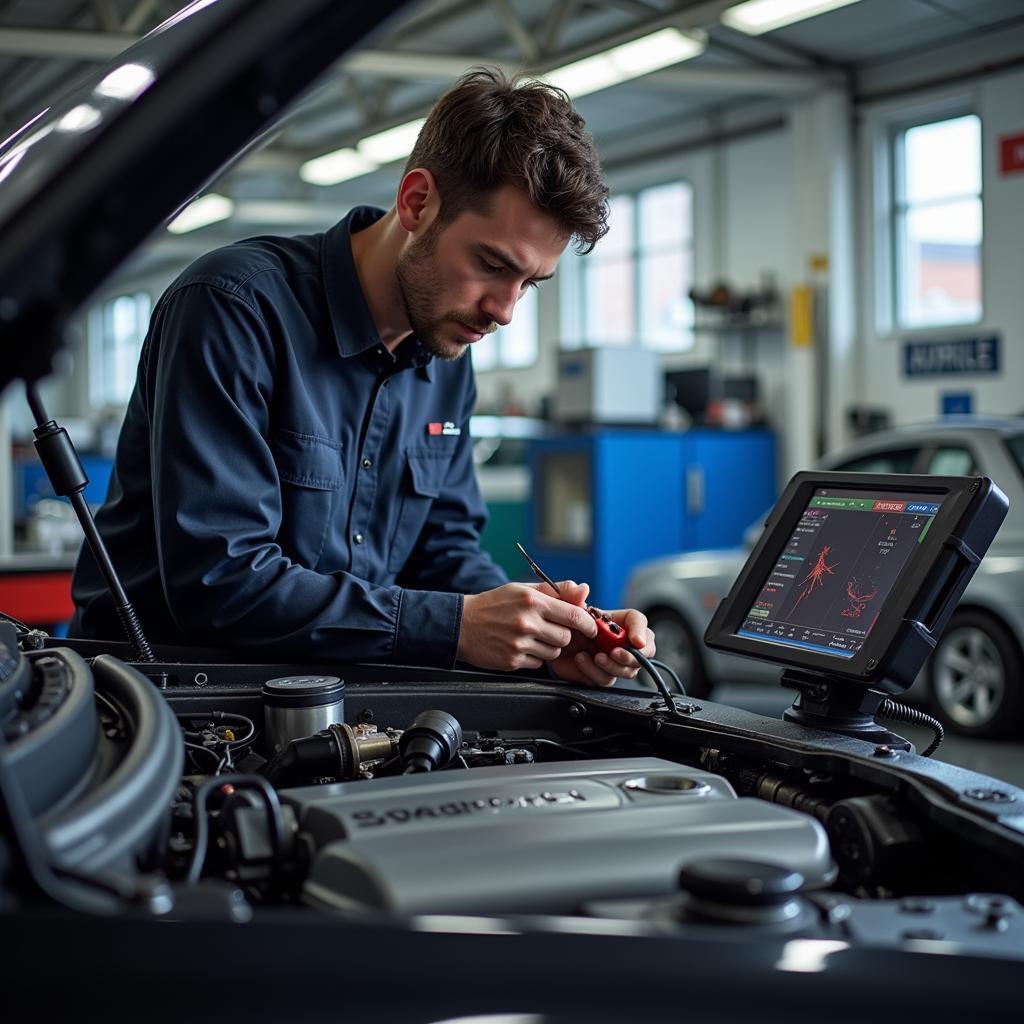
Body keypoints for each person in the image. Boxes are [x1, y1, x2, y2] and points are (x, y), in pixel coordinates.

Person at [71, 67, 655, 686]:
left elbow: (443, 552)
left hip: (343, 698)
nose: (504, 311)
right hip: (167, 705)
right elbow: (220, 581)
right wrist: (455, 626)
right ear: (416, 202)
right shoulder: (233, 307)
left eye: (528, 284)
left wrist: (539, 630)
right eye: (490, 265)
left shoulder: (448, 356)